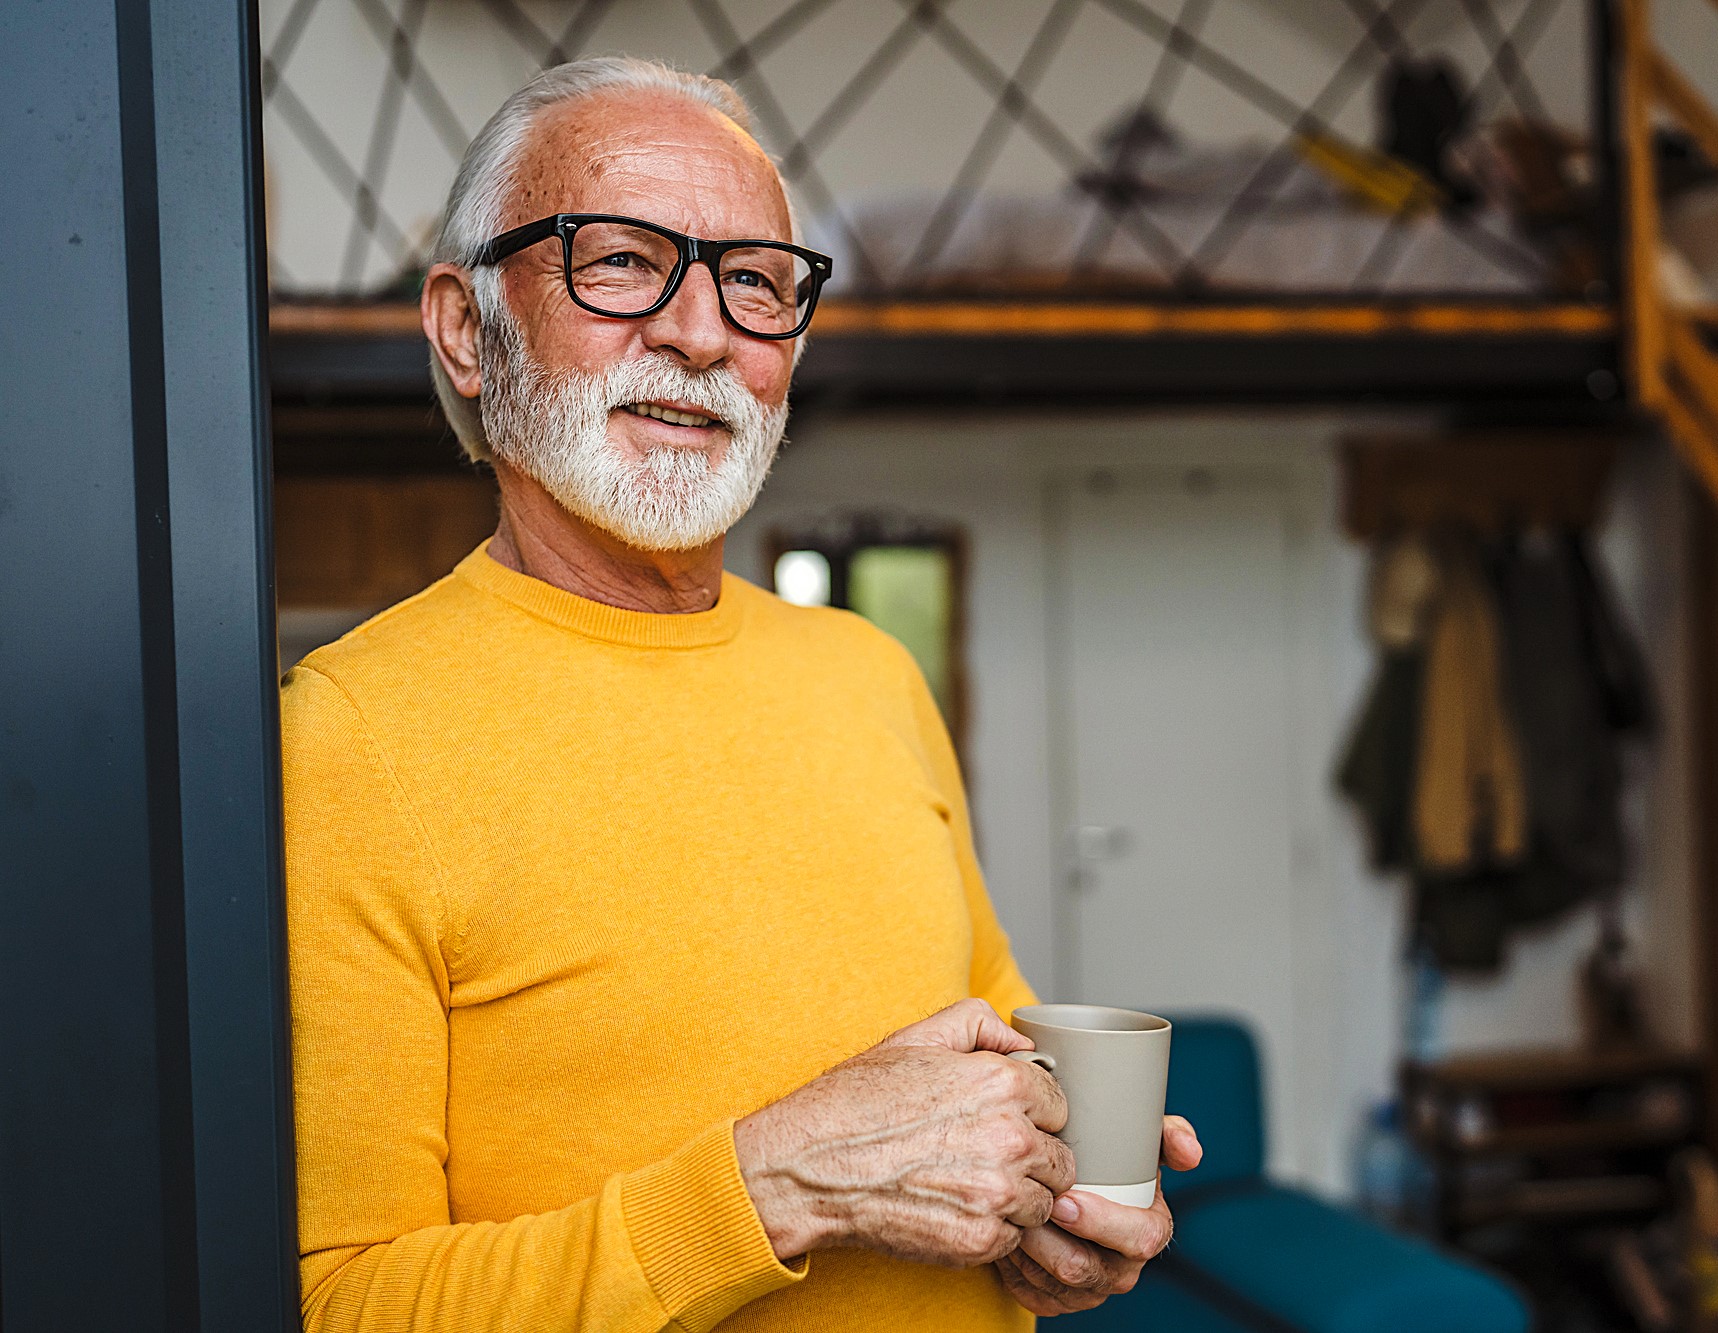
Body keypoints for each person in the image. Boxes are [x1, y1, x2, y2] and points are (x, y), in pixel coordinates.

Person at [282, 56, 1199, 1333]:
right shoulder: (343, 737)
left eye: (756, 283)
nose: (702, 332)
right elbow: (336, 1304)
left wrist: (1055, 1205)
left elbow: (988, 1043)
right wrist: (773, 1185)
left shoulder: (869, 674)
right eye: (616, 262)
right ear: (465, 328)